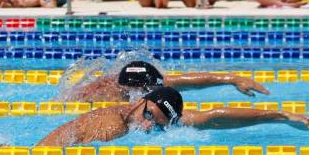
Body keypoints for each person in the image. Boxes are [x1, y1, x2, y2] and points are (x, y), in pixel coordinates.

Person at [38, 86, 309, 146]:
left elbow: (214, 117)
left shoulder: (152, 116)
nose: (149, 127)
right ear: (141, 101)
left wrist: (280, 116)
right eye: (148, 116)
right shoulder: (113, 126)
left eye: (159, 126)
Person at [60, 60, 270, 102]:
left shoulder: (153, 81)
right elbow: (66, 100)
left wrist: (232, 78)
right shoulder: (102, 93)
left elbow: (193, 80)